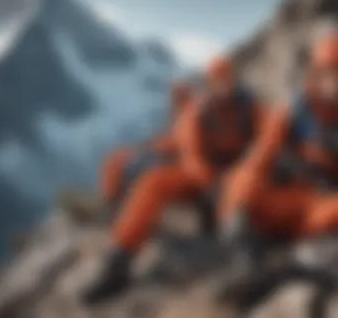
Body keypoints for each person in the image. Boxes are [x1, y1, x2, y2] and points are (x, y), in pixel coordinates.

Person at [81, 55, 264, 305]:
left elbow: (268, 141)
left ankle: (247, 249)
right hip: (207, 182)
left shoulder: (250, 108)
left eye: (227, 80)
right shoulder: (197, 113)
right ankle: (118, 262)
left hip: (238, 179)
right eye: (218, 82)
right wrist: (216, 185)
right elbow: (192, 158)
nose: (224, 87)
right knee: (153, 183)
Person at [219, 31, 338, 267]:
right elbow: (258, 160)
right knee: (243, 179)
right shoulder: (292, 114)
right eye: (330, 74)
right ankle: (246, 246)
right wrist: (238, 208)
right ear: (316, 74)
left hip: (319, 208)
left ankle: (299, 259)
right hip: (282, 202)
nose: (334, 83)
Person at [101, 81, 192, 211]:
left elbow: (180, 143)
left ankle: (114, 206)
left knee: (120, 164)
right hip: (164, 156)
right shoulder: (182, 115)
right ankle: (113, 204)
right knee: (117, 160)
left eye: (177, 95)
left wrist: (155, 147)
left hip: (172, 162)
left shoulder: (189, 115)